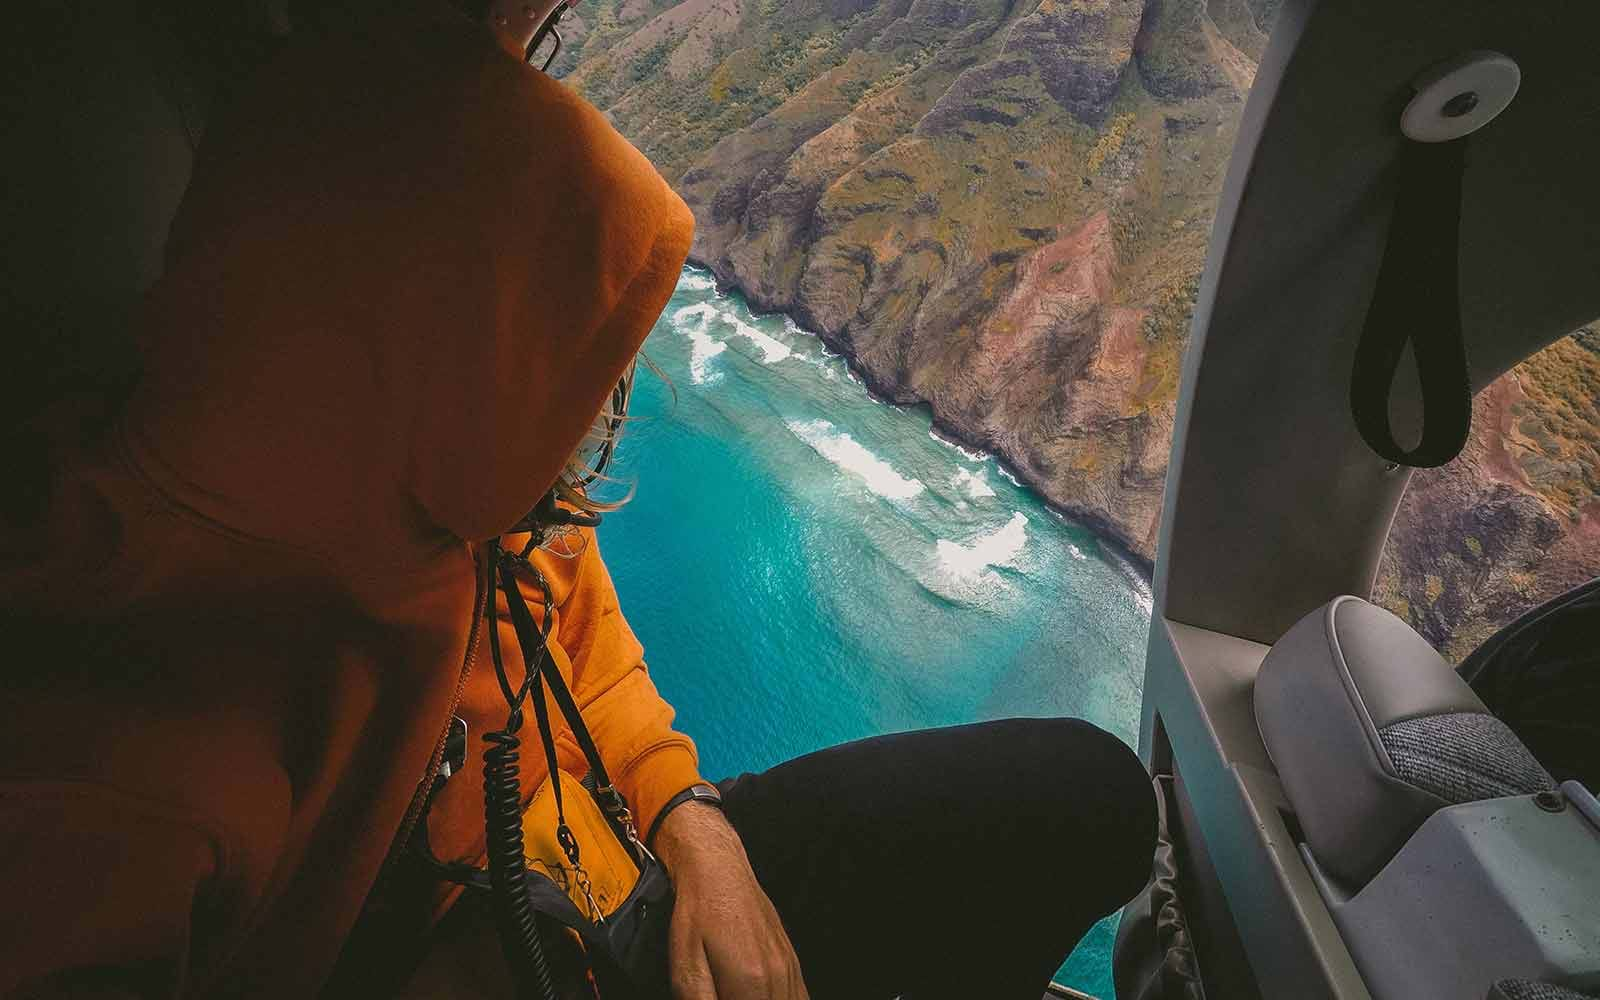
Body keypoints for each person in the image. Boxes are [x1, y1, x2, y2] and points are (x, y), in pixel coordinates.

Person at [0, 2, 1157, 997]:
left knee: (1088, 794)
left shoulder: (451, 494)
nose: (601, 393)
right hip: (513, 938)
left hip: (607, 849)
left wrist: (693, 825)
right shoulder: (133, 744)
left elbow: (576, 626)